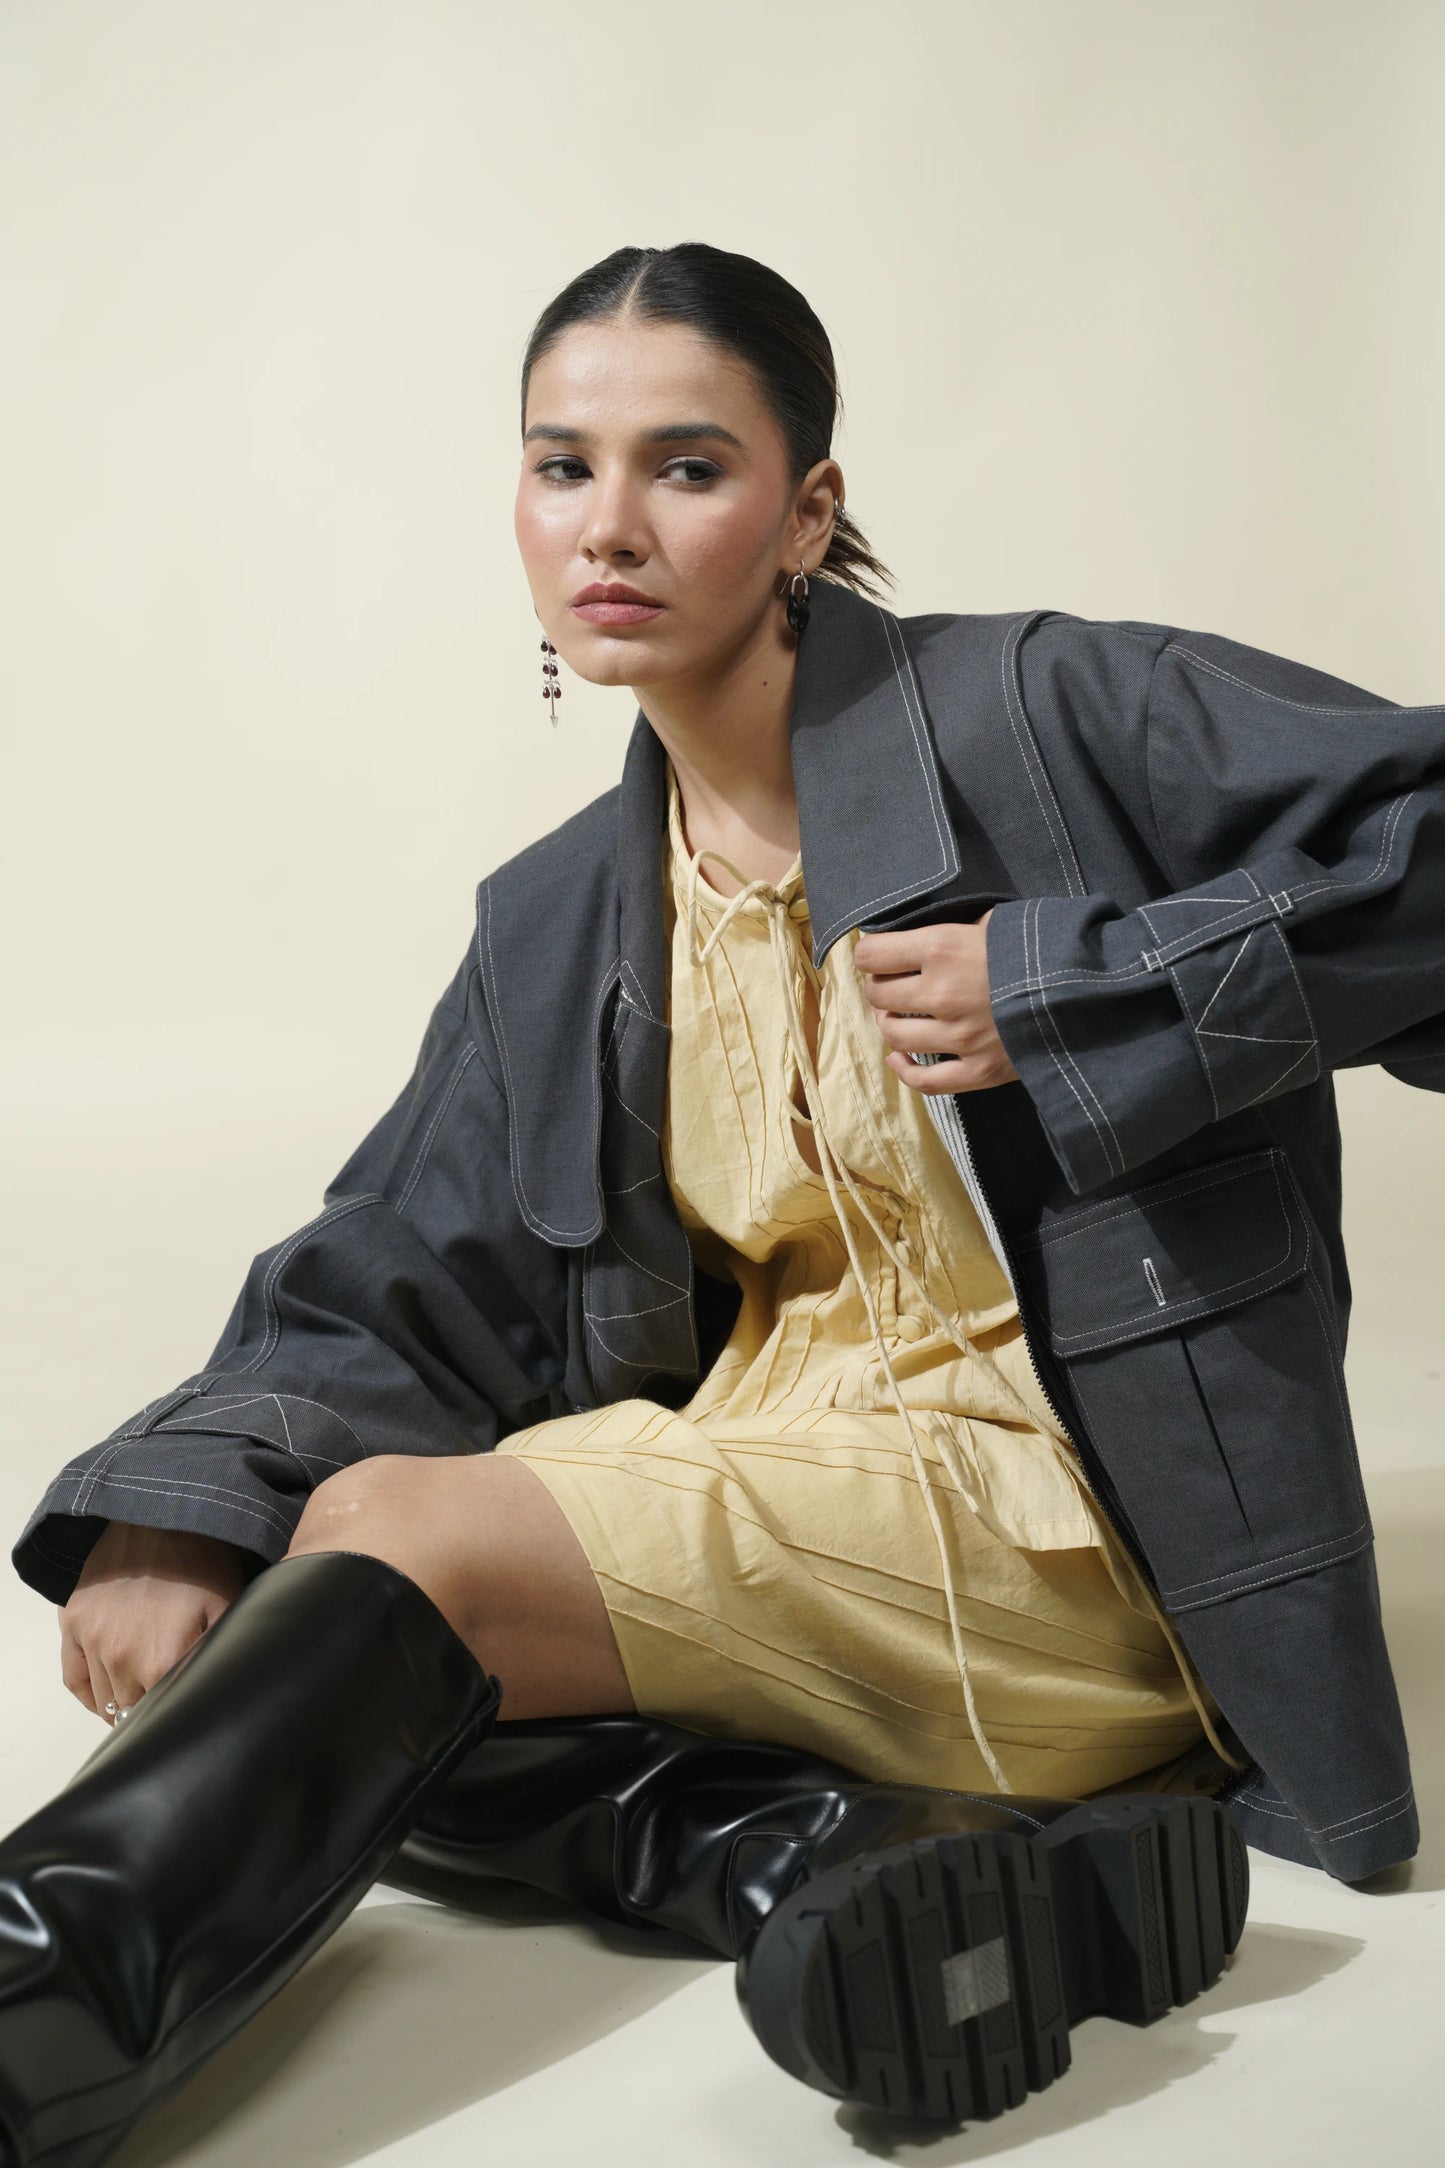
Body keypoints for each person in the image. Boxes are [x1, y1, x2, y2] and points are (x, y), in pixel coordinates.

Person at [3, 237, 1441, 2160]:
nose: (609, 524)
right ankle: (850, 1858)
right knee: (304, 1640)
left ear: (806, 512)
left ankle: (23, 2022)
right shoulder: (564, 916)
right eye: (560, 465)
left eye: (686, 466)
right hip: (791, 1495)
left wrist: (1078, 986)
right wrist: (175, 1511)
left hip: (1084, 1542)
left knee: (384, 1579)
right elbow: (403, 1269)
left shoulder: (1052, 712)